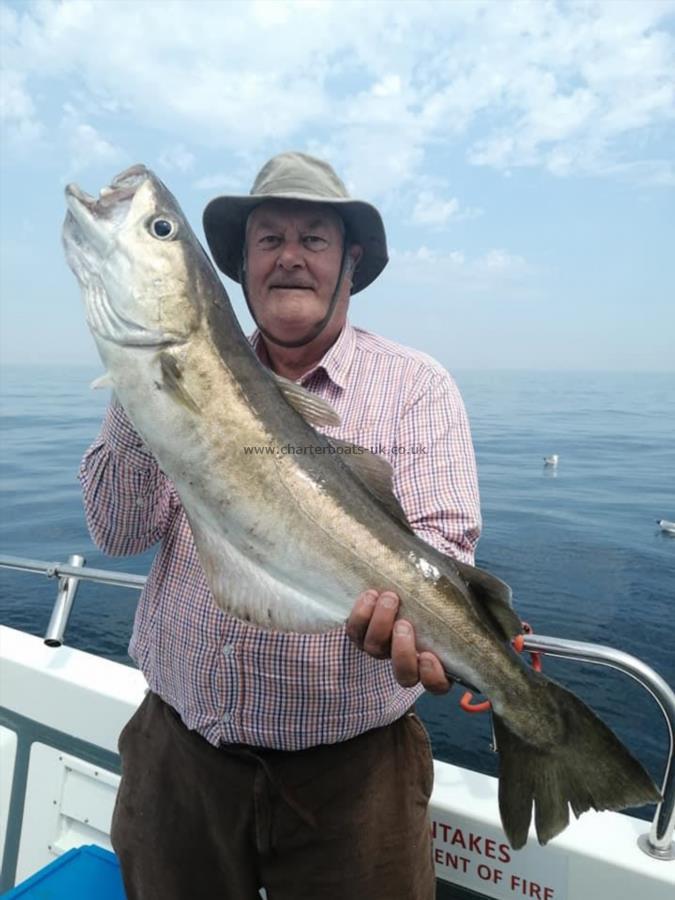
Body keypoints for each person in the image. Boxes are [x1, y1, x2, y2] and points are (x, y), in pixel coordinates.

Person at [80, 151, 481, 900]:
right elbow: (115, 531)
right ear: (237, 267)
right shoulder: (165, 372)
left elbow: (443, 549)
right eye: (268, 239)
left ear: (349, 263)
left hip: (355, 782)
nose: (289, 257)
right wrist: (144, 395)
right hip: (178, 763)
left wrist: (414, 623)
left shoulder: (415, 388)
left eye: (313, 238)